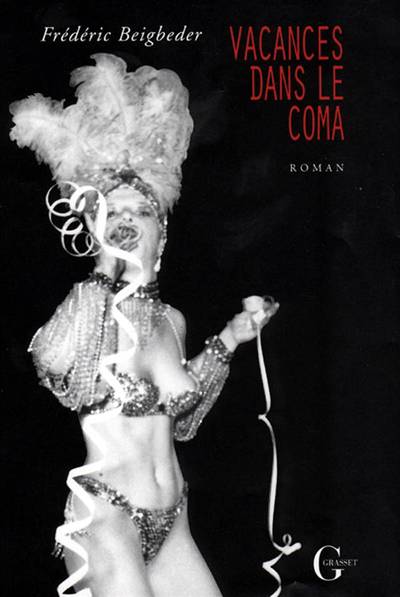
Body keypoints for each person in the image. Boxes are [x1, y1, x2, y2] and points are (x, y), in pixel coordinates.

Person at [10, 53, 278, 597]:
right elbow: (60, 369)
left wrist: (231, 338)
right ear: (96, 227)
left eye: (141, 212)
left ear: (163, 232)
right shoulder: (89, 304)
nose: (128, 221)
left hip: (173, 520)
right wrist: (104, 268)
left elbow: (183, 420)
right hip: (106, 518)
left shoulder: (172, 319)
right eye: (115, 212)